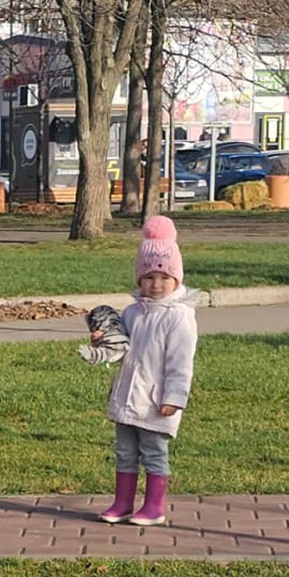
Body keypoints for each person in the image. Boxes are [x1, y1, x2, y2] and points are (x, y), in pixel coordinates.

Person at [93, 215, 197, 527]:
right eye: (149, 277)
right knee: (125, 452)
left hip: (156, 400)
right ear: (139, 279)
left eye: (164, 277)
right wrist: (102, 341)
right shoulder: (131, 313)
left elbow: (180, 362)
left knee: (153, 452)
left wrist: (174, 398)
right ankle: (123, 502)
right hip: (127, 396)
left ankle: (154, 506)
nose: (156, 284)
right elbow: (119, 347)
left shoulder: (179, 317)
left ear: (176, 279)